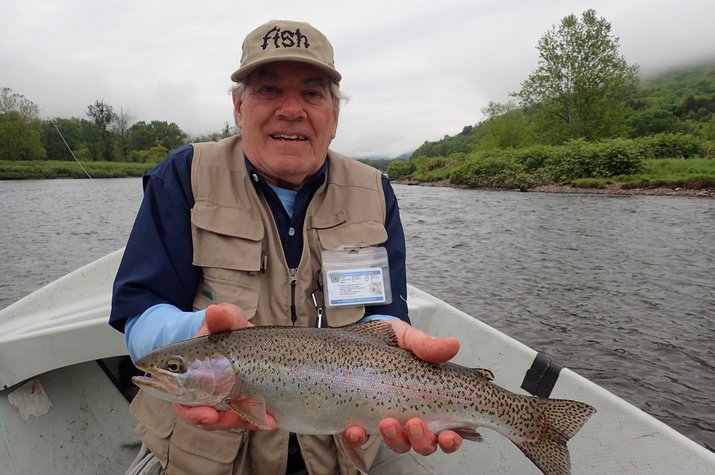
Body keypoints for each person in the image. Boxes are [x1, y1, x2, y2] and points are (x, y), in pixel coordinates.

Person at [110, 19, 463, 475]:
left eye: (313, 93)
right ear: (238, 107)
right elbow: (140, 312)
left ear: (334, 116)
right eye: (269, 90)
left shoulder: (374, 191)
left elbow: (382, 315)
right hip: (207, 456)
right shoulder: (184, 175)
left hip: (346, 443)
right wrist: (195, 335)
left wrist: (391, 334)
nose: (291, 109)